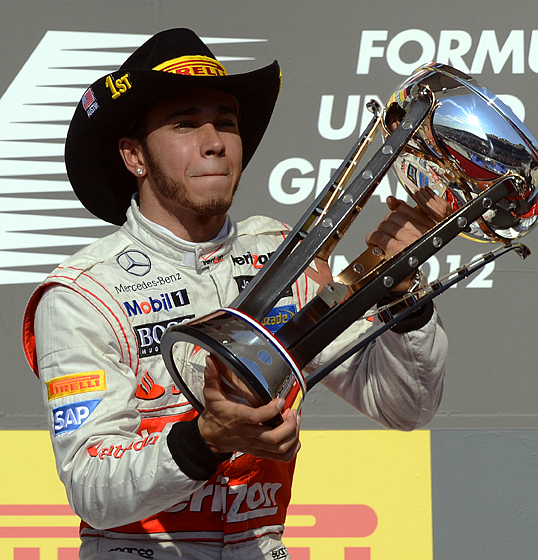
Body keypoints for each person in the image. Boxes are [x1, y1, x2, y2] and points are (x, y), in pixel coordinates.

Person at [21, 28, 447, 560]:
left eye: (226, 122)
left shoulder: (281, 257)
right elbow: (90, 486)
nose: (215, 141)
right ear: (135, 156)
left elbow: (402, 404)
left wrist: (402, 297)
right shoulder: (85, 292)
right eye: (185, 123)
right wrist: (206, 441)